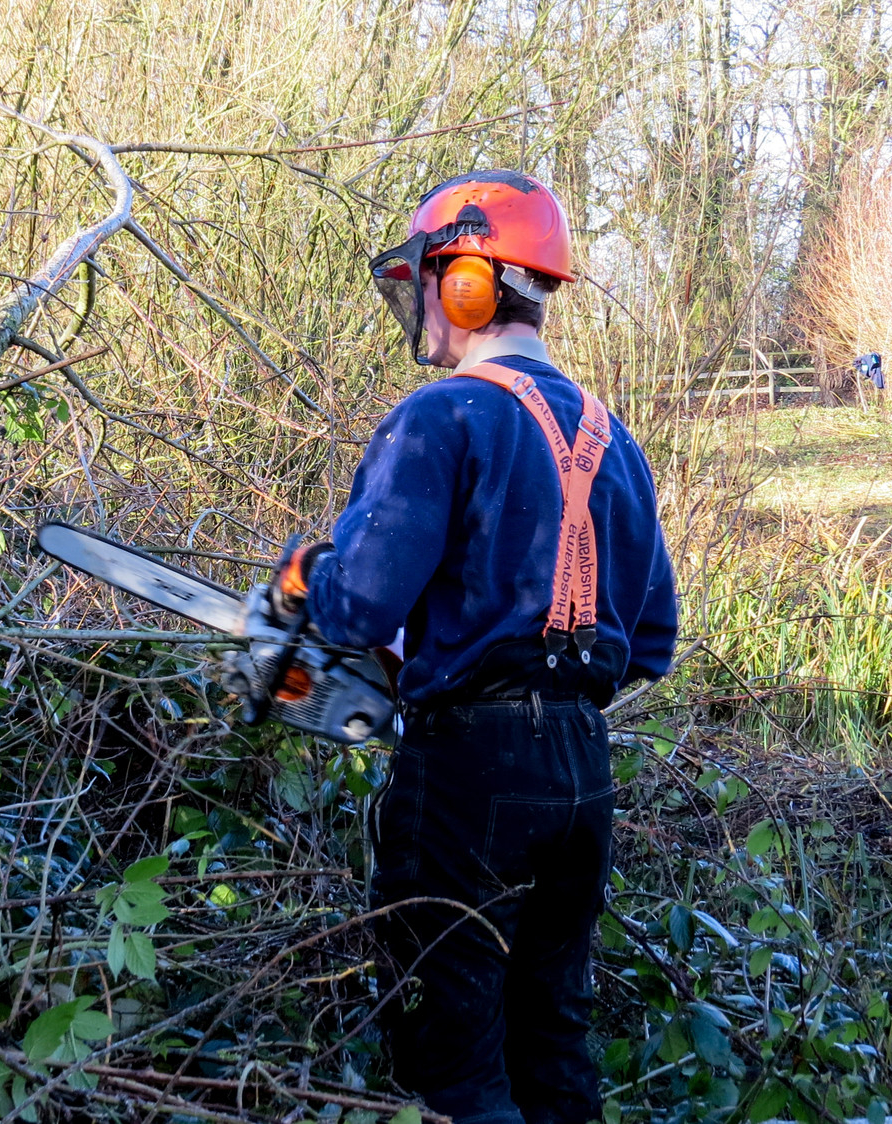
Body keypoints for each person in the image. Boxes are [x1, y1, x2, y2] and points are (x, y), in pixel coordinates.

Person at [266, 170, 678, 1124]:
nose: (422, 307)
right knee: (551, 1033)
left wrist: (303, 578)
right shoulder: (616, 442)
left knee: (454, 1047)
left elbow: (360, 604)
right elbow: (651, 640)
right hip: (583, 773)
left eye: (430, 280)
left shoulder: (438, 417)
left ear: (468, 281)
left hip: (469, 770)